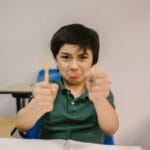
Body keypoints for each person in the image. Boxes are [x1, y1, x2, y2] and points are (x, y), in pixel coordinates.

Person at [16, 23, 119, 144]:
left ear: (93, 61)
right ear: (56, 60)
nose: (74, 66)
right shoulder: (47, 88)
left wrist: (100, 100)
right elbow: (21, 125)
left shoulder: (99, 89)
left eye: (82, 57)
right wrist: (37, 105)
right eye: (65, 57)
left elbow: (111, 129)